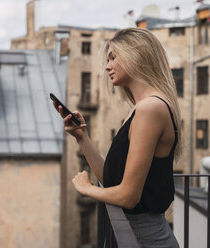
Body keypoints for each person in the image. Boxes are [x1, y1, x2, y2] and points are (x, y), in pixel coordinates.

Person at [53, 28, 181, 247]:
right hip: (134, 236)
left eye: (113, 57)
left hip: (146, 239)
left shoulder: (150, 108)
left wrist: (87, 188)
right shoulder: (139, 109)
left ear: (136, 55)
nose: (107, 66)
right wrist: (82, 137)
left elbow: (129, 196)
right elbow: (115, 181)